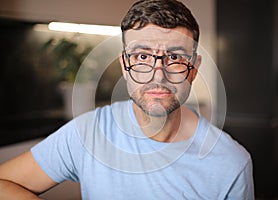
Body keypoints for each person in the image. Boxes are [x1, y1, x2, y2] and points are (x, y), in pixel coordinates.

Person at [0, 0, 254, 199]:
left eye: (175, 58)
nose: (158, 75)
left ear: (194, 68)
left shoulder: (231, 163)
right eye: (142, 57)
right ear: (125, 64)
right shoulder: (87, 133)